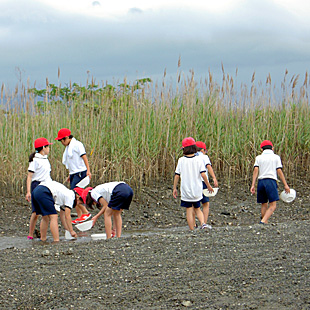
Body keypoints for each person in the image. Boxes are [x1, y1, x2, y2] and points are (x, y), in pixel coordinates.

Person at [173, 137, 214, 230]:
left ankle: (192, 229)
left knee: (189, 209)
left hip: (185, 190)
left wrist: (174, 188)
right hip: (197, 189)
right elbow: (203, 175)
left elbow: (177, 175)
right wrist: (208, 185)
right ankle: (203, 223)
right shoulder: (198, 160)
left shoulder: (181, 160)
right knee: (197, 208)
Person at [55, 128, 91, 223]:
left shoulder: (77, 145)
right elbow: (72, 163)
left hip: (80, 173)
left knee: (74, 195)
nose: (61, 143)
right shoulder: (69, 147)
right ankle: (80, 216)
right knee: (75, 196)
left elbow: (84, 157)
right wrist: (70, 175)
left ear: (66, 138)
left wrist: (88, 170)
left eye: (61, 140)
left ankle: (85, 212)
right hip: (74, 173)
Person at [250, 140, 290, 224]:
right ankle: (263, 221)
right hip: (270, 181)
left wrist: (253, 184)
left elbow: (256, 170)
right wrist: (285, 185)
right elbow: (279, 171)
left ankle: (265, 222)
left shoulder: (258, 158)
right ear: (272, 148)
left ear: (261, 149)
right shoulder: (276, 157)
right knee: (273, 205)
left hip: (261, 181)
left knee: (264, 203)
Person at [25, 137, 53, 240]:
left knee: (44, 212)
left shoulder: (45, 159)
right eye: (48, 146)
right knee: (36, 212)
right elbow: (30, 176)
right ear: (43, 148)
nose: (49, 149)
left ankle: (42, 235)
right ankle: (31, 234)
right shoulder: (35, 160)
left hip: (46, 185)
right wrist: (28, 192)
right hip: (37, 186)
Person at [195, 141, 218, 229]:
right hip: (203, 182)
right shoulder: (204, 157)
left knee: (194, 204)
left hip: (194, 183)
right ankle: (203, 223)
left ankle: (193, 224)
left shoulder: (192, 157)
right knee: (205, 203)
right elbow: (208, 166)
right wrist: (214, 178)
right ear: (202, 150)